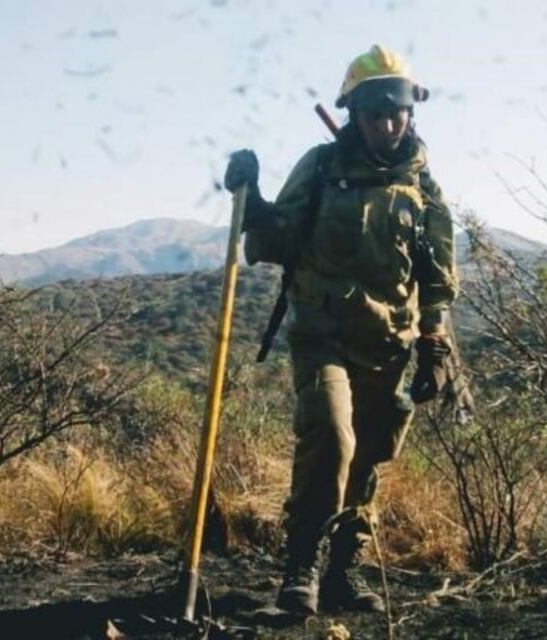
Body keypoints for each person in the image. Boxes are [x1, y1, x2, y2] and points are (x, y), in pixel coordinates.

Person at [223, 44, 459, 616]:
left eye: (395, 111)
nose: (386, 123)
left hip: (391, 345)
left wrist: (433, 343)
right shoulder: (322, 167)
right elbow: (275, 238)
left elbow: (438, 277)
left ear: (411, 111)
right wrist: (249, 197)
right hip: (323, 335)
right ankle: (298, 570)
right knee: (332, 438)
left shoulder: (423, 185)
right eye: (374, 112)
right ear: (353, 112)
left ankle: (341, 575)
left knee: (371, 456)